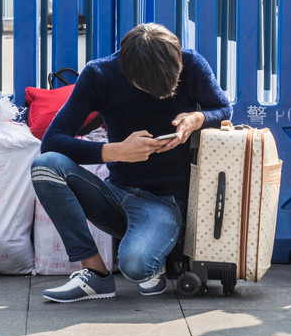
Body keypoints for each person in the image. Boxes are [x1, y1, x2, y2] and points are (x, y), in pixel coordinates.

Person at [30, 23, 232, 302]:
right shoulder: (100, 74)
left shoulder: (192, 63)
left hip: (167, 201)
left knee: (136, 266)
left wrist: (196, 120)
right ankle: (96, 274)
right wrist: (116, 152)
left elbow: (224, 109)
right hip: (116, 193)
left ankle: (154, 254)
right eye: (148, 88)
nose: (158, 95)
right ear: (127, 71)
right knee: (46, 165)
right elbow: (52, 141)